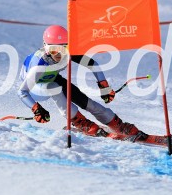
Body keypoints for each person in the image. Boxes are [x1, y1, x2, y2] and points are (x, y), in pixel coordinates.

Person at [17, 25, 146, 138]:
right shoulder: (38, 65)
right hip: (35, 88)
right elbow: (22, 92)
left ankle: (115, 123)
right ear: (45, 48)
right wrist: (36, 109)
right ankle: (79, 121)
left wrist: (104, 86)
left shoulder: (68, 54)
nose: (60, 55)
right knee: (54, 87)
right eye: (54, 50)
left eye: (65, 48)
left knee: (84, 100)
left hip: (51, 77)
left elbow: (92, 64)